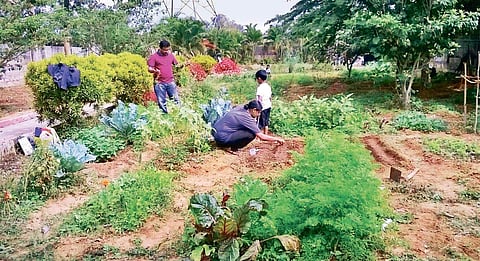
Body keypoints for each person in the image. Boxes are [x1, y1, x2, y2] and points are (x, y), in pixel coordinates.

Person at [212, 100, 284, 155]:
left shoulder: (242, 108)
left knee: (248, 129)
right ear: (254, 110)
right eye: (258, 112)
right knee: (251, 134)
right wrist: (277, 139)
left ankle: (225, 144)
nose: (259, 115)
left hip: (216, 133)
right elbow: (261, 136)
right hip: (222, 138)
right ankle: (231, 148)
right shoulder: (246, 117)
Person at [147, 40, 180, 113]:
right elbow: (149, 68)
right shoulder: (154, 57)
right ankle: (164, 116)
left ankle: (177, 114)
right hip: (159, 83)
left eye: (168, 49)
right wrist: (155, 71)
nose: (166, 51)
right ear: (160, 48)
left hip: (171, 82)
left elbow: (176, 64)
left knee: (176, 100)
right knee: (162, 102)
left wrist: (182, 65)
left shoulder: (171, 55)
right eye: (165, 50)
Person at [255, 69, 272, 134]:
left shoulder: (260, 88)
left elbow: (259, 99)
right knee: (266, 122)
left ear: (259, 78)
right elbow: (270, 97)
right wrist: (270, 104)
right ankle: (266, 134)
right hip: (268, 106)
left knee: (259, 123)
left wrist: (258, 108)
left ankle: (259, 137)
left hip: (262, 107)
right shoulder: (268, 86)